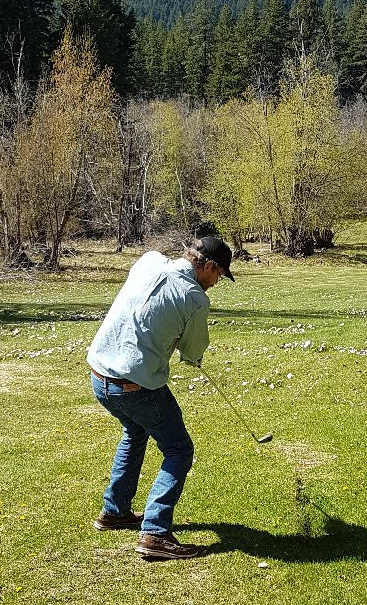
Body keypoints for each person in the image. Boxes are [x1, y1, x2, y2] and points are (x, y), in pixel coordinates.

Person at [87, 236, 235, 560]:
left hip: (98, 378)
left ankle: (114, 511)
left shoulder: (149, 260)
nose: (217, 282)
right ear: (208, 266)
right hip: (133, 385)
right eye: (219, 275)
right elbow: (193, 352)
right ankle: (155, 533)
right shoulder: (195, 298)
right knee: (179, 449)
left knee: (135, 431)